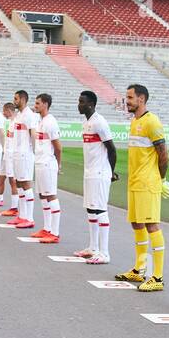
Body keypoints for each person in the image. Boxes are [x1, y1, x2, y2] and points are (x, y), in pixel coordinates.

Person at [117, 84, 169, 292]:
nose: (126, 101)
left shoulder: (152, 121)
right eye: (126, 97)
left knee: (152, 225)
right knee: (137, 224)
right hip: (135, 182)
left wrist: (160, 179)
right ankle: (139, 270)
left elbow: (164, 155)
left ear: (141, 99)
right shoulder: (135, 121)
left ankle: (157, 277)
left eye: (129, 97)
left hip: (148, 183)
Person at [73, 90, 118, 265]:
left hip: (100, 173)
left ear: (91, 104)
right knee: (91, 209)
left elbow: (112, 149)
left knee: (100, 209)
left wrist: (111, 172)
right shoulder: (86, 122)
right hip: (90, 172)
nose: (79, 104)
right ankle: (92, 247)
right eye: (79, 101)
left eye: (82, 102)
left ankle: (104, 253)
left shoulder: (99, 122)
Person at [29, 93, 63, 243]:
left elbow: (58, 147)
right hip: (40, 162)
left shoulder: (50, 122)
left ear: (45, 104)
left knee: (51, 195)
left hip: (48, 163)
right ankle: (47, 228)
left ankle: (54, 233)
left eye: (37, 103)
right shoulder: (40, 121)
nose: (35, 106)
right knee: (43, 195)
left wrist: (58, 163)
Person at [10, 90, 37, 229]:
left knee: (26, 183)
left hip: (25, 154)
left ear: (23, 99)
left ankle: (30, 218)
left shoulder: (29, 115)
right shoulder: (19, 115)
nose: (14, 101)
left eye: (16, 98)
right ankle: (22, 215)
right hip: (17, 152)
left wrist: (33, 150)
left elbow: (33, 134)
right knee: (19, 183)